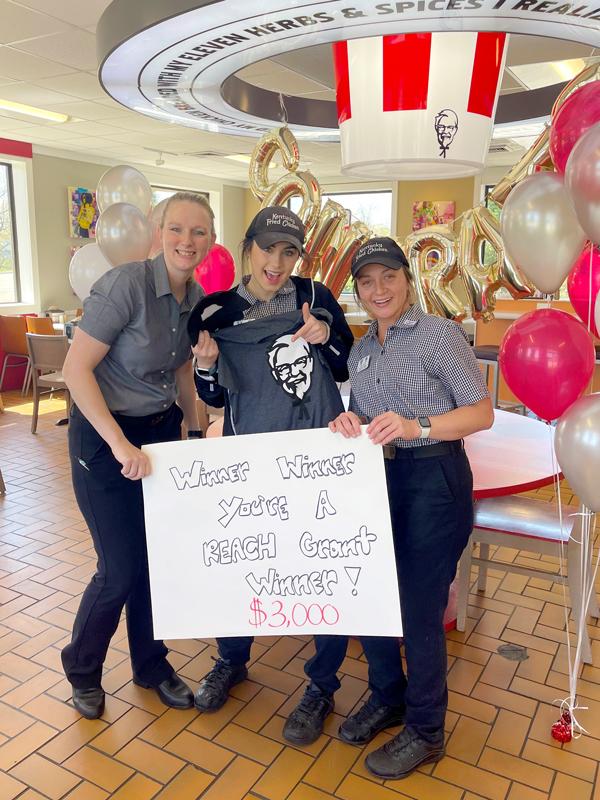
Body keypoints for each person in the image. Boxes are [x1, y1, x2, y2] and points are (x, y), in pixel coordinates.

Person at [328, 237, 493, 779]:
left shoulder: (437, 335)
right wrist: (348, 422)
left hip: (432, 478)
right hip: (379, 477)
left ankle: (425, 729)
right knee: (370, 591)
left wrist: (418, 425)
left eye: (388, 277)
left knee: (420, 611)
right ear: (357, 290)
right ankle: (388, 696)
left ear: (407, 278)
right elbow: (365, 415)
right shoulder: (360, 349)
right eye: (367, 281)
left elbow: (482, 412)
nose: (379, 290)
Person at [188, 205, 353, 744]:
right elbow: (214, 396)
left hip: (316, 461)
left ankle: (321, 685)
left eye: (288, 252)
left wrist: (324, 330)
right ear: (247, 248)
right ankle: (230, 658)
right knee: (243, 562)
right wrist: (208, 366)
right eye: (267, 250)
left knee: (324, 566)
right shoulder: (217, 312)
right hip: (249, 461)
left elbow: (344, 359)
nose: (277, 263)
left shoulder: (316, 296)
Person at [61, 191, 214, 719]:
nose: (186, 241)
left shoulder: (195, 299)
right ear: (157, 233)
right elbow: (75, 371)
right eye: (176, 229)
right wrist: (119, 443)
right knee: (119, 568)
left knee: (156, 563)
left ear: (210, 241)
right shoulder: (124, 286)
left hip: (161, 436)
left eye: (198, 232)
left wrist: (196, 435)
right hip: (105, 438)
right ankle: (82, 668)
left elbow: (180, 372)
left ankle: (150, 666)